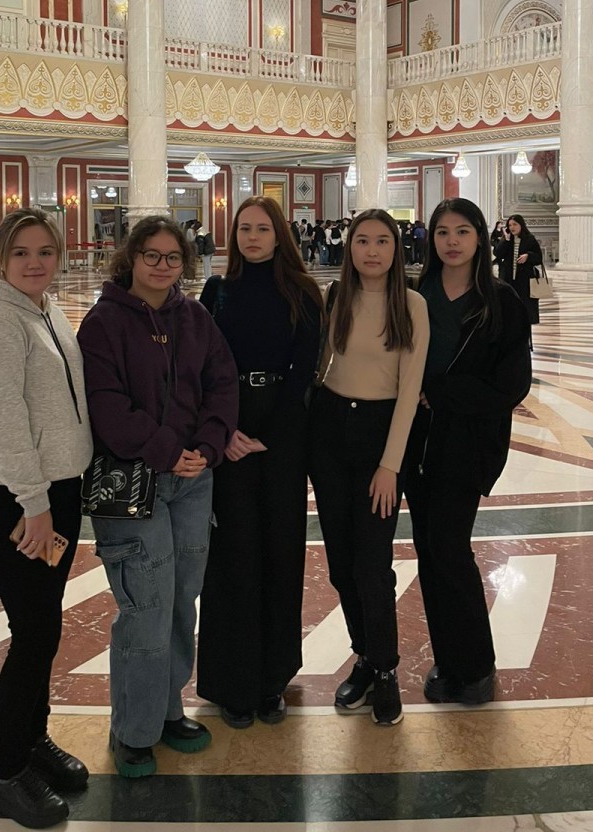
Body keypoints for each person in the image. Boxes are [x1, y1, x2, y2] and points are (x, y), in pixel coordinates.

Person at [78, 216, 237, 780]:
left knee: (179, 601)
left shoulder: (194, 318)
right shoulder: (102, 323)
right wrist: (168, 450)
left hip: (193, 481)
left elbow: (222, 383)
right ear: (132, 258)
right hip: (131, 485)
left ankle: (167, 710)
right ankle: (133, 730)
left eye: (173, 257)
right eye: (152, 255)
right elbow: (106, 404)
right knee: (144, 606)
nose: (163, 265)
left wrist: (208, 446)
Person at [0, 208, 93, 829]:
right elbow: (2, 420)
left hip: (55, 495)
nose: (35, 263)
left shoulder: (45, 309)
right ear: (1, 259)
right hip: (16, 504)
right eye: (21, 253)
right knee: (33, 633)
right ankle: (8, 775)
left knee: (45, 628)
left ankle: (33, 741)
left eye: (45, 251)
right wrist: (35, 504)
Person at [197, 195, 322, 727]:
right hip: (227, 429)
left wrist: (270, 433)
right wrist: (224, 431)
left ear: (279, 236)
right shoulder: (216, 291)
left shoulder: (302, 292)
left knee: (280, 552)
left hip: (282, 434)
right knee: (233, 555)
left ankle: (272, 679)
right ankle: (233, 682)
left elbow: (305, 369)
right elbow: (202, 367)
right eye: (244, 229)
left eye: (262, 229)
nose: (252, 237)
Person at [404, 198, 532, 708]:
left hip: (466, 443)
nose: (451, 241)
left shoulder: (500, 301)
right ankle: (448, 658)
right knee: (429, 551)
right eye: (442, 232)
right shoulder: (417, 295)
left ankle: (476, 666)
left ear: (480, 237)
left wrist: (440, 392)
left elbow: (511, 384)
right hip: (415, 442)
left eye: (462, 231)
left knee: (449, 548)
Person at [308, 208, 428, 727]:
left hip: (380, 436)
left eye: (382, 241)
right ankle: (364, 656)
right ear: (350, 246)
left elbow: (409, 391)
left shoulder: (412, 305)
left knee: (372, 566)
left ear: (396, 249)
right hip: (330, 433)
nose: (372, 251)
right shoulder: (336, 297)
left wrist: (389, 466)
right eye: (362, 241)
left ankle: (385, 669)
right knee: (340, 563)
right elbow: (320, 368)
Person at [493, 214, 543, 332]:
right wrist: (506, 240)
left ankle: (525, 332)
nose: (512, 227)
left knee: (525, 308)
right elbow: (498, 253)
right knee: (509, 307)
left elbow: (538, 258)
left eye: (515, 224)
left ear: (521, 225)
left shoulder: (529, 239)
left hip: (525, 281)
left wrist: (528, 256)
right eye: (510, 225)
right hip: (508, 279)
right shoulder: (507, 239)